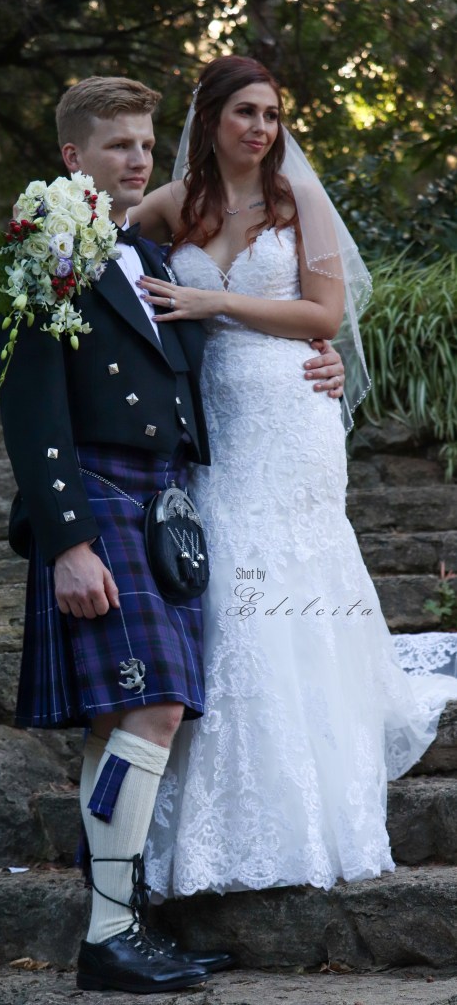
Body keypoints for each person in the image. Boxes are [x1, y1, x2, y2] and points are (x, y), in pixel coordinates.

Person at [0, 74, 345, 990]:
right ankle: (110, 931)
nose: (139, 159)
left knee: (128, 715)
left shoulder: (144, 251)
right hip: (100, 498)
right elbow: (30, 404)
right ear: (73, 156)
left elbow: (208, 352)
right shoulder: (43, 249)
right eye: (119, 145)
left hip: (163, 500)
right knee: (150, 706)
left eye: (147, 144)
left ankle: (119, 923)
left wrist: (320, 356)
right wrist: (68, 539)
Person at [128, 55, 457, 899]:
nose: (261, 128)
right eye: (245, 111)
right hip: (217, 424)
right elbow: (106, 261)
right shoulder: (170, 208)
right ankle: (220, 822)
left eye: (271, 114)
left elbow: (325, 313)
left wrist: (216, 302)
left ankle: (313, 810)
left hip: (292, 412)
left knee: (286, 582)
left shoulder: (297, 199)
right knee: (230, 592)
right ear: (210, 118)